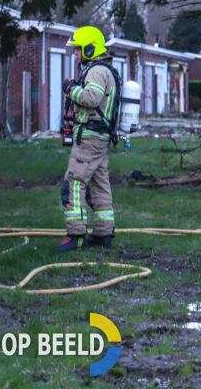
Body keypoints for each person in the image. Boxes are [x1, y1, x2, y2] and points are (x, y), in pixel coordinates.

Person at [58, 26, 120, 251]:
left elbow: (91, 98)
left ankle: (76, 235)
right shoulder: (105, 69)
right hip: (100, 137)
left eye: (78, 49)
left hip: (90, 136)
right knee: (99, 183)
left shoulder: (95, 71)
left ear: (89, 48)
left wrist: (70, 89)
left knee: (74, 182)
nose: (75, 54)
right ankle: (103, 234)